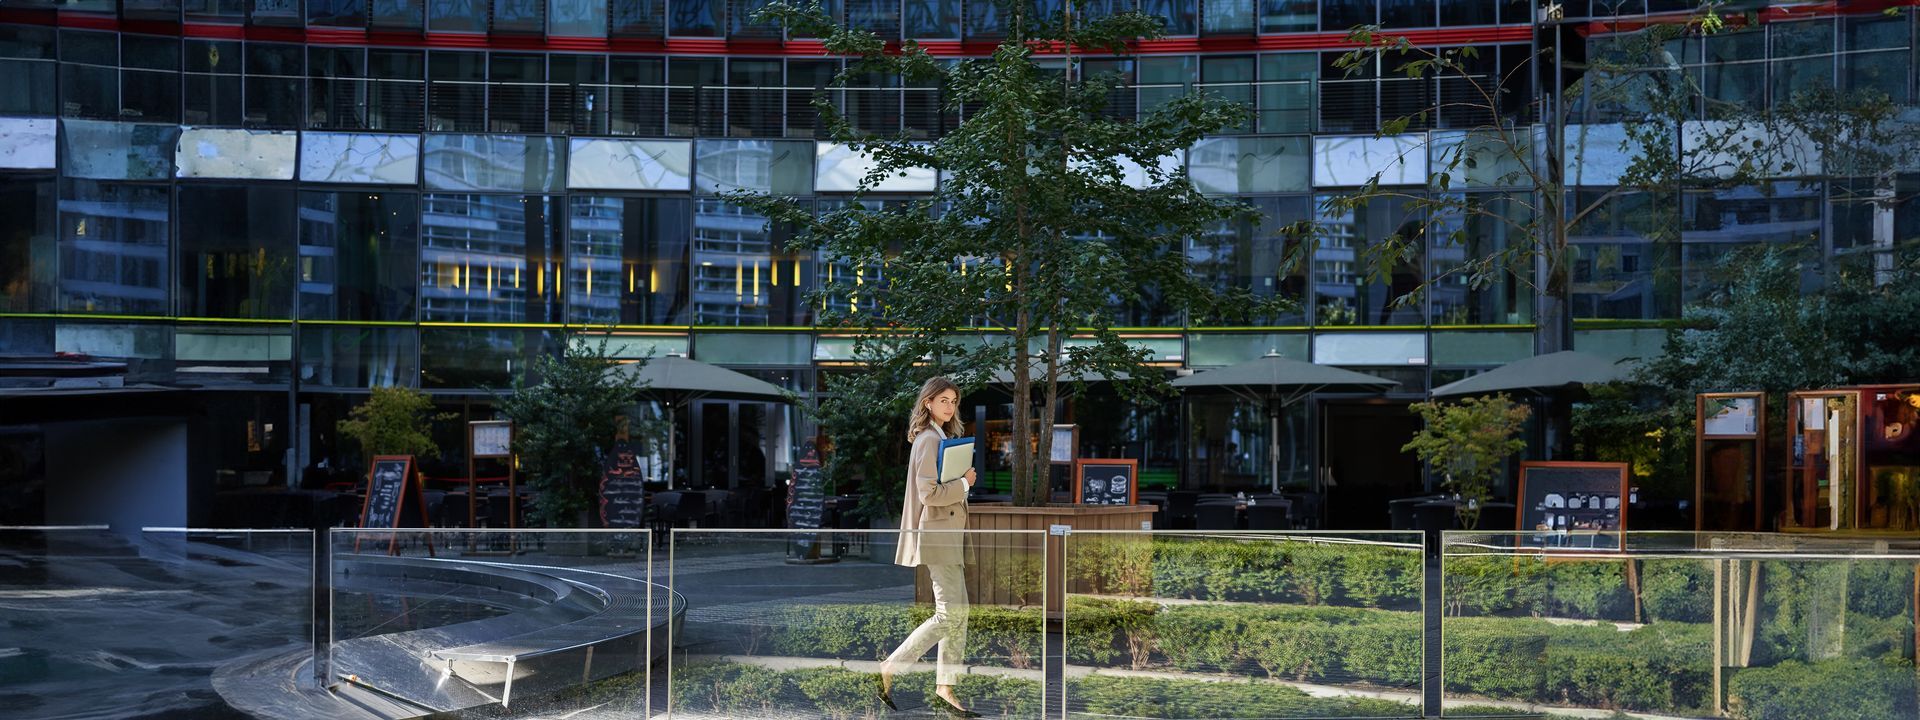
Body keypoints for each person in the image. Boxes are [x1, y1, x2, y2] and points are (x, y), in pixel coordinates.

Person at [878, 376, 979, 718]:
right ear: (928, 403)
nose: (950, 406)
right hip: (937, 537)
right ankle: (892, 666)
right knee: (950, 613)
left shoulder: (940, 437)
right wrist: (964, 483)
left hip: (946, 536)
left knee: (958, 613)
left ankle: (944, 687)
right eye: (944, 400)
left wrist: (961, 484)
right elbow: (929, 495)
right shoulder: (927, 440)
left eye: (954, 401)